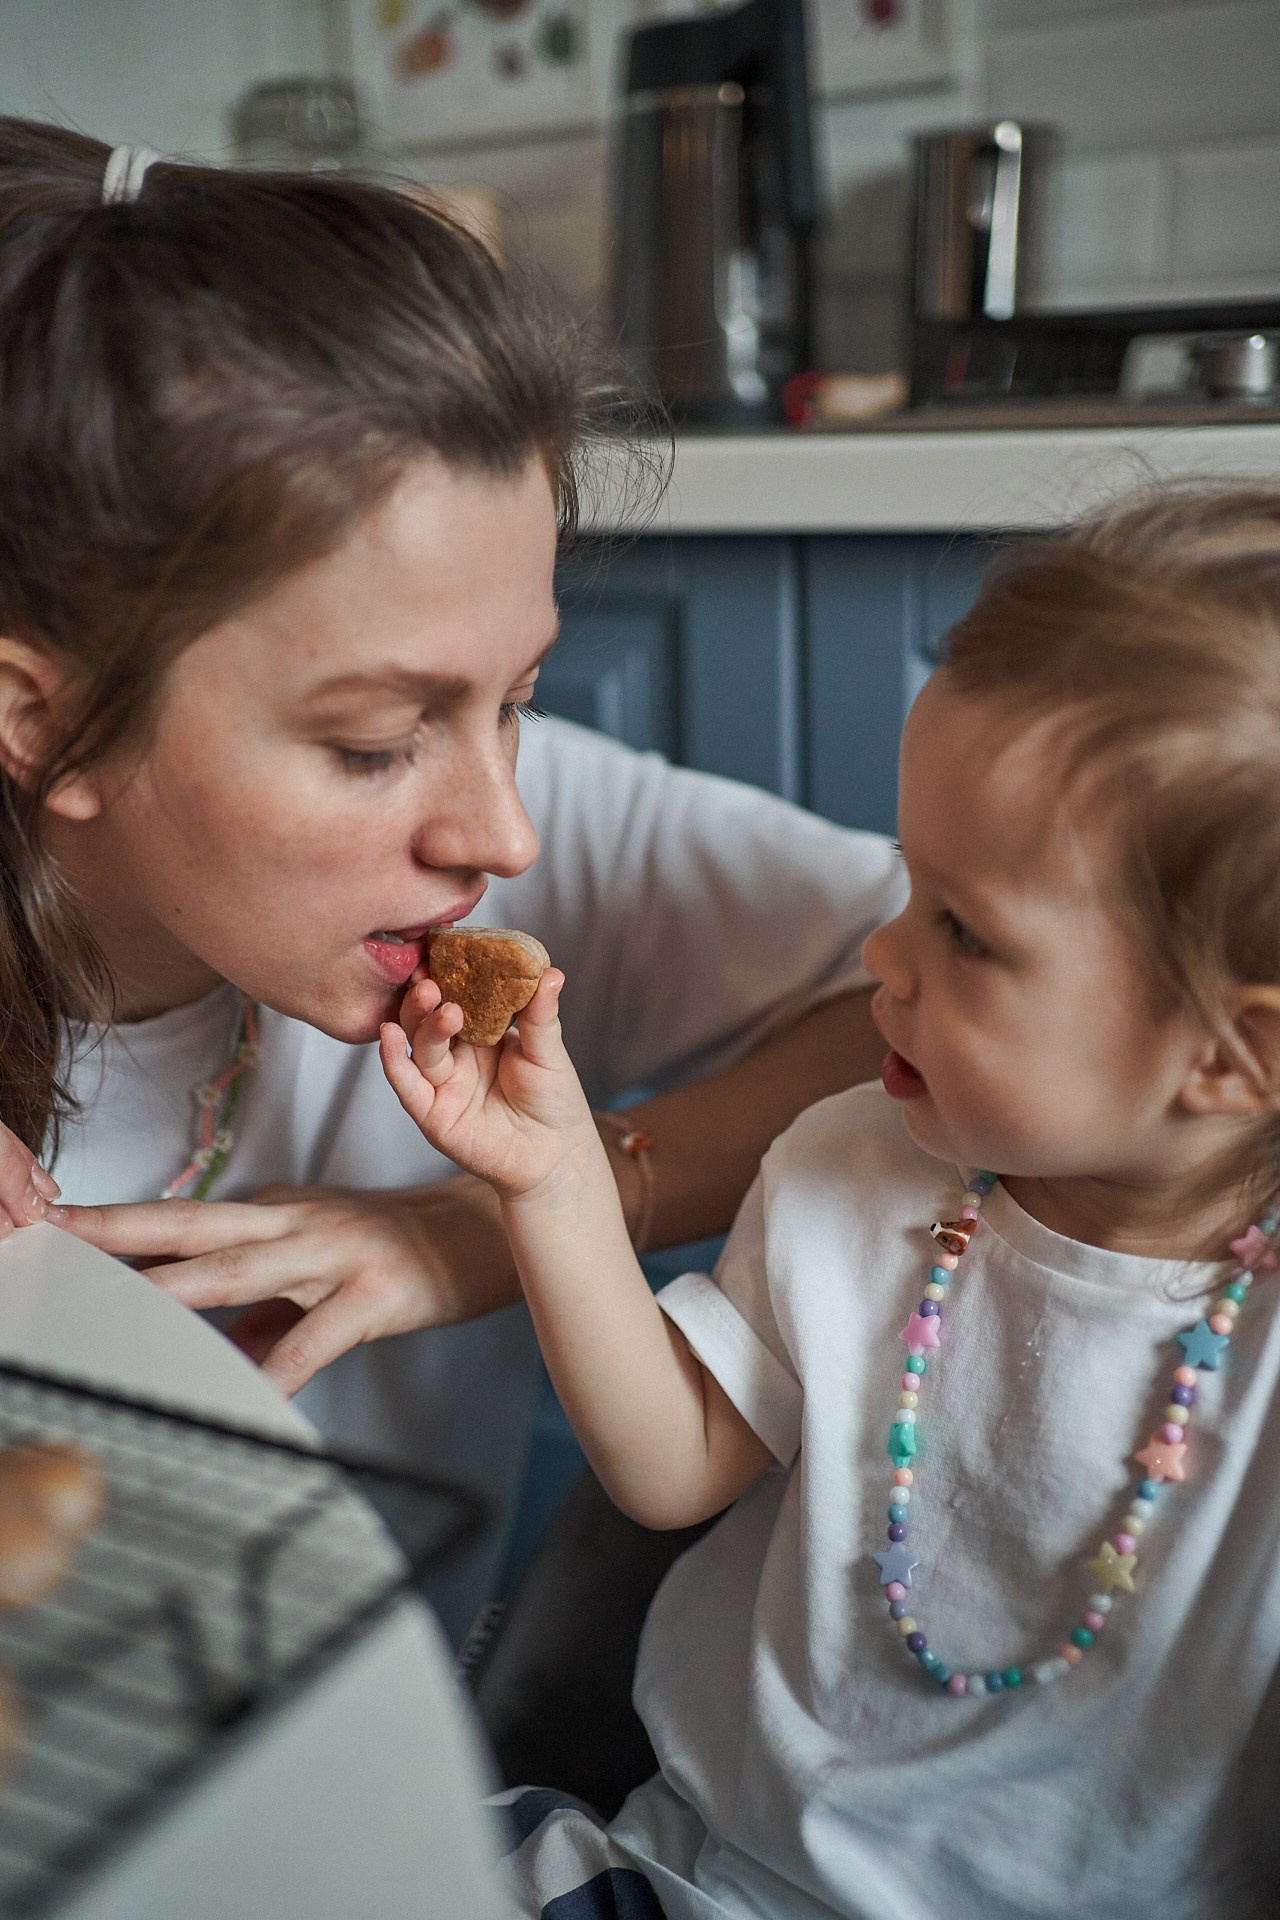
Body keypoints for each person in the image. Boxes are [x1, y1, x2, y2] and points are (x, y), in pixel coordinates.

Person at [0, 118, 902, 1638]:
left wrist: (499, 1224)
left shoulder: (498, 866)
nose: (505, 835)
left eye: (519, 698)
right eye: (372, 743)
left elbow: (933, 990)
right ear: (44, 718)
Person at [381, 484, 1280, 1919]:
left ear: (1237, 1057)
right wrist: (553, 1179)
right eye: (913, 884)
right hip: (711, 1874)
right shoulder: (855, 1166)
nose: (882, 950)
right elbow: (673, 1466)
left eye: (966, 932)